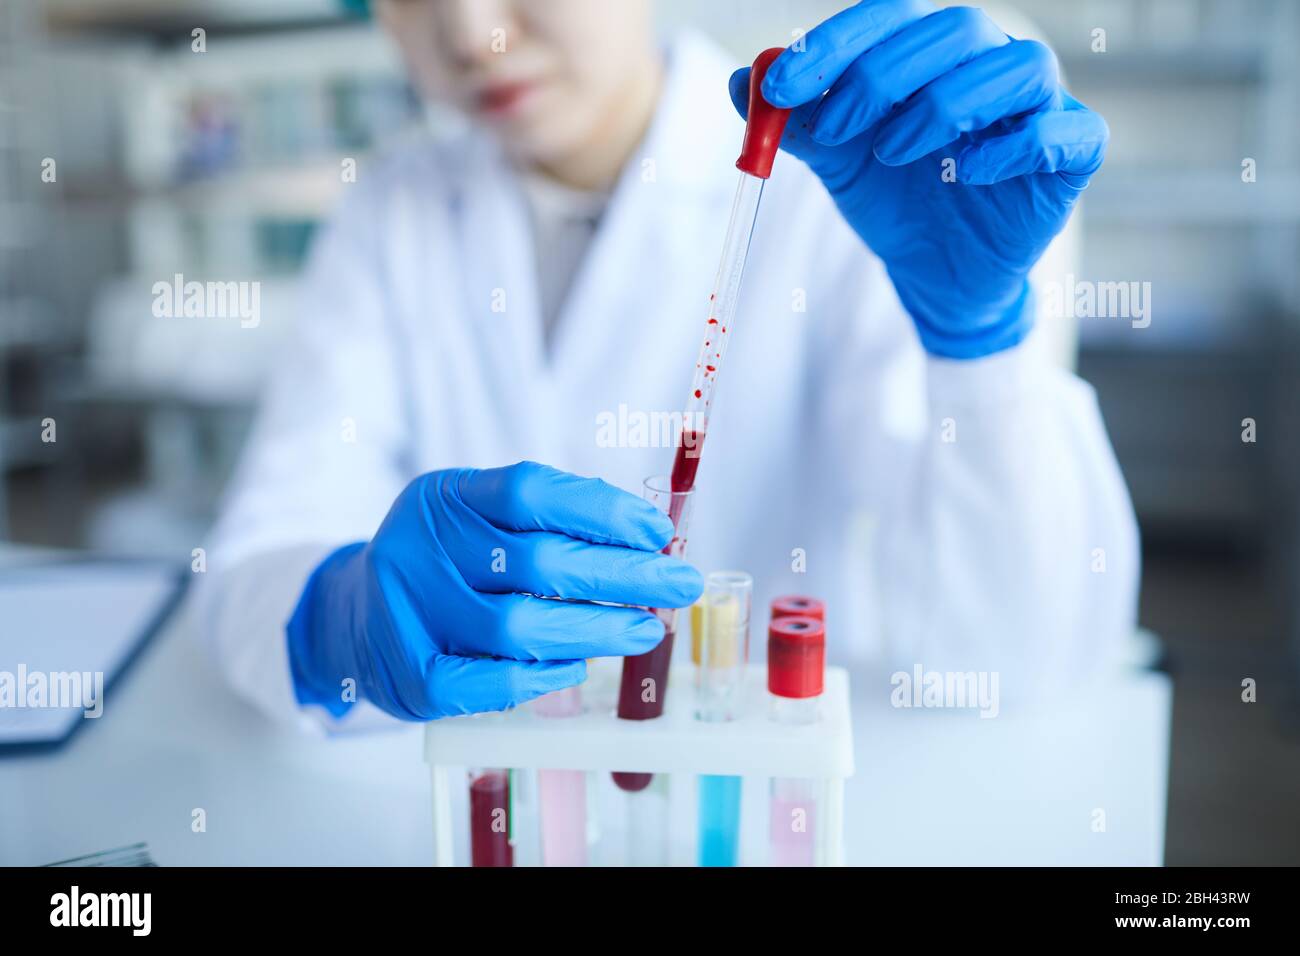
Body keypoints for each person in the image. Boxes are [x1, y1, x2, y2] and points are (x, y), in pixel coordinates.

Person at [201, 0, 1138, 729]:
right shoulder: (388, 214)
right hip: (484, 804)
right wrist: (337, 619)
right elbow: (253, 566)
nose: (473, 35)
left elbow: (1014, 655)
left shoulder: (854, 184)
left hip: (762, 791)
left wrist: (979, 348)